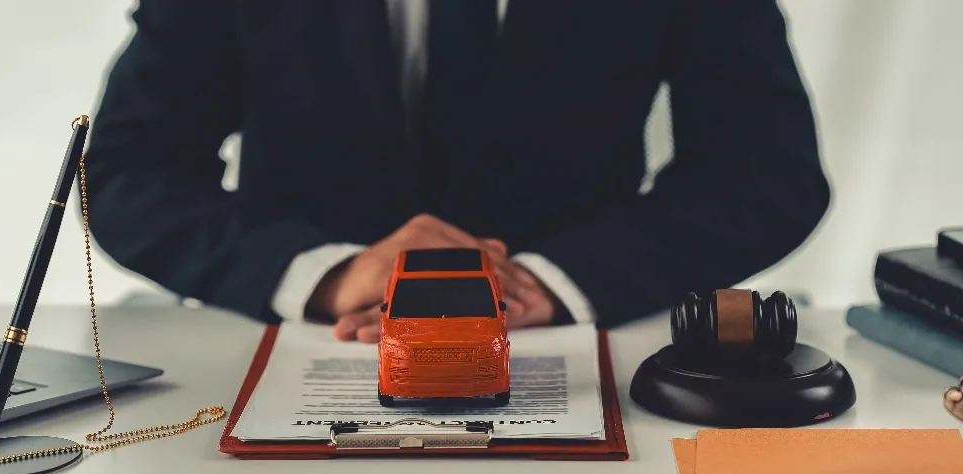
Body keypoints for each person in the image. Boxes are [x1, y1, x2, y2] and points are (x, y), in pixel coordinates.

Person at [83, 0, 831, 344]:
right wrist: (326, 273)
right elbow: (128, 171)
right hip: (303, 347)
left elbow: (767, 168)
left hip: (572, 347)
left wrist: (553, 281)